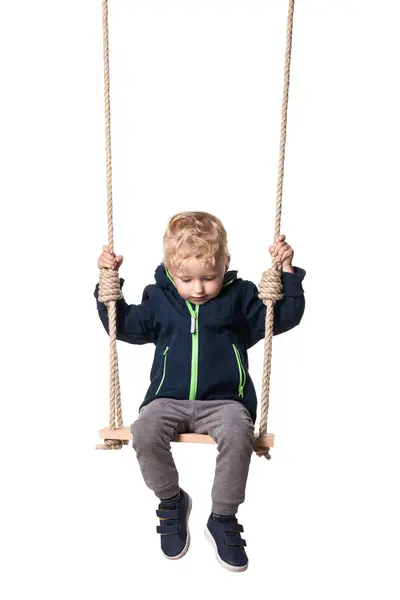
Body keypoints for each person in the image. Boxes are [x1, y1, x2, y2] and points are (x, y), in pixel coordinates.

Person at [94, 211, 306, 572]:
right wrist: (107, 287)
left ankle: (222, 517)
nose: (198, 288)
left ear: (226, 264)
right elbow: (126, 325)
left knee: (240, 434)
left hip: (225, 402)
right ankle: (172, 501)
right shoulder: (160, 299)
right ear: (169, 270)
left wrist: (287, 273)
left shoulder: (240, 297)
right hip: (167, 400)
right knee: (144, 430)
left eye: (209, 277)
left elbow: (281, 318)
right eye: (186, 278)